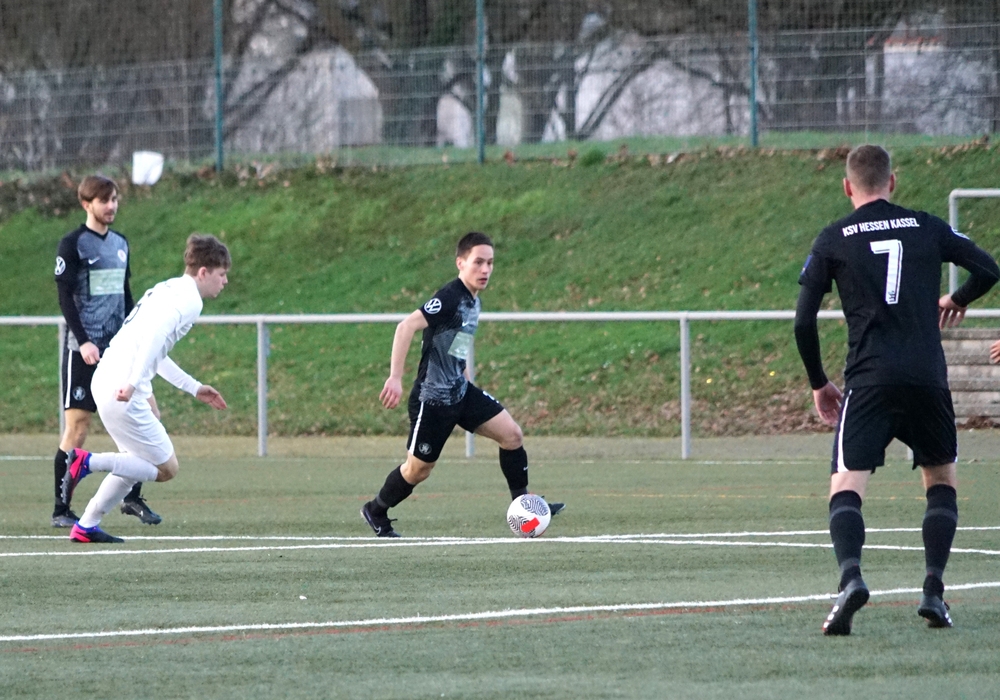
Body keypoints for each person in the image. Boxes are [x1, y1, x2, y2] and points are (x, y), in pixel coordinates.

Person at [794, 144, 1000, 635]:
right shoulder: (927, 226)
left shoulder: (834, 237)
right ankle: (933, 590)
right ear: (893, 181)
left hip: (869, 379)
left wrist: (819, 382)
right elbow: (990, 269)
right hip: (927, 378)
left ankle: (851, 579)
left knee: (846, 486)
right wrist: (957, 297)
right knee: (941, 481)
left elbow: (803, 321)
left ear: (847, 186)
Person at [361, 231, 563, 537]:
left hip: (460, 391)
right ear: (460, 263)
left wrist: (466, 382)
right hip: (432, 399)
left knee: (512, 435)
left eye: (490, 263)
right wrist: (395, 378)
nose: (485, 269)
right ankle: (376, 509)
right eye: (478, 262)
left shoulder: (473, 301)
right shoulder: (449, 298)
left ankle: (525, 507)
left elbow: (457, 345)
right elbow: (406, 327)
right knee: (418, 470)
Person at [61, 234, 231, 543]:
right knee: (167, 469)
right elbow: (154, 340)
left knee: (135, 463)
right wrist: (132, 383)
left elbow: (155, 351)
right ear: (203, 272)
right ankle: (88, 462)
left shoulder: (167, 289)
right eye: (221, 274)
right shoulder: (190, 300)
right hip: (120, 387)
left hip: (105, 378)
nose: (225, 281)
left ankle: (86, 525)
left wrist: (194, 388)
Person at [52, 175, 160, 528]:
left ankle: (131, 497)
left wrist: (135, 336)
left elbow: (125, 296)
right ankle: (61, 508)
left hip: (119, 352)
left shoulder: (120, 243)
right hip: (84, 350)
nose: (111, 206)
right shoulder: (73, 244)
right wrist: (83, 340)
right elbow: (65, 297)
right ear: (87, 204)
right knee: (78, 428)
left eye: (114, 199)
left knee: (143, 418)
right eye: (104, 200)